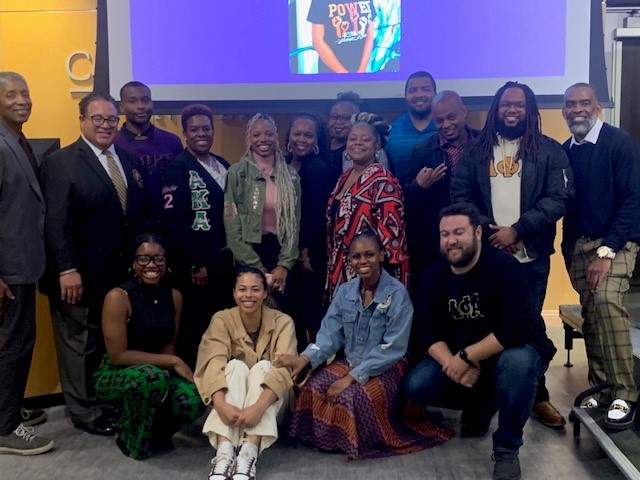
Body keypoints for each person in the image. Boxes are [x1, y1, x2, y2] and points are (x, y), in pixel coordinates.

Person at [450, 81, 573, 430]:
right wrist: (491, 232)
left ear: (530, 110)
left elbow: (559, 199)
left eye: (519, 105)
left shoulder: (549, 150)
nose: (512, 110)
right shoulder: (476, 151)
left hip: (531, 256)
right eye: (506, 104)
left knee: (528, 327)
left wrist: (517, 230)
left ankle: (537, 397)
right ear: (496, 108)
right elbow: (460, 194)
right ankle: (482, 401)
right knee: (482, 328)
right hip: (486, 256)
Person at [404, 203, 556, 480]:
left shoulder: (505, 268)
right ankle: (481, 405)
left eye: (458, 232)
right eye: (445, 234)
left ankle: (507, 449)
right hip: (462, 355)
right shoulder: (431, 275)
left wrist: (464, 358)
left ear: (477, 233)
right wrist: (453, 364)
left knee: (518, 366)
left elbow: (515, 328)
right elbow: (427, 332)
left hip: (512, 349)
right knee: (417, 384)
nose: (451, 241)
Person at [276, 230, 453, 460]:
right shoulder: (345, 291)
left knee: (350, 397)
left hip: (387, 365)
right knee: (312, 389)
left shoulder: (397, 293)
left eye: (369, 254)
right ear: (349, 260)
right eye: (356, 256)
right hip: (351, 360)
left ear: (381, 255)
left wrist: (351, 377)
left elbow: (392, 348)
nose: (363, 261)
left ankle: (359, 440)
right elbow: (330, 334)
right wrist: (305, 358)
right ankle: (330, 440)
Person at [39, 92, 151, 436]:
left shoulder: (129, 160)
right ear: (82, 120)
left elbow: (137, 216)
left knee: (107, 342)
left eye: (111, 119)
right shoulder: (60, 162)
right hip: (78, 274)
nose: (105, 125)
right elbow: (55, 222)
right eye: (97, 118)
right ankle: (84, 411)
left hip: (117, 275)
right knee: (79, 345)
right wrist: (66, 269)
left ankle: (104, 400)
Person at [561, 82, 640, 429]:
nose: (577, 109)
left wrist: (607, 251)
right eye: (570, 104)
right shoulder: (565, 151)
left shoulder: (618, 143)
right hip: (578, 247)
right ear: (563, 111)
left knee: (606, 302)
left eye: (584, 103)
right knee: (592, 316)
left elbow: (632, 199)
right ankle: (602, 387)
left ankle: (625, 393)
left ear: (597, 108)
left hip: (615, 244)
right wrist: (568, 248)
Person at [94, 233, 205, 459]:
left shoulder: (174, 296)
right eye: (143, 258)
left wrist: (170, 377)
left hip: (156, 372)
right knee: (151, 378)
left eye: (158, 259)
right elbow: (118, 356)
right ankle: (129, 436)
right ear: (133, 263)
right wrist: (172, 362)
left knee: (195, 395)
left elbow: (168, 344)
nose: (151, 265)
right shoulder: (118, 296)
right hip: (116, 372)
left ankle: (152, 430)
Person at [194, 267, 297, 480]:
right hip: (230, 405)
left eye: (255, 289)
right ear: (234, 293)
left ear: (265, 293)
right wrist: (221, 405)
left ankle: (248, 454)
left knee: (264, 367)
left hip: (271, 405)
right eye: (242, 289)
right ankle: (224, 454)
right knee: (236, 366)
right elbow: (212, 363)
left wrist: (258, 408)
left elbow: (284, 370)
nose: (248, 295)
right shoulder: (222, 319)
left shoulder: (283, 322)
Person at [0, 71, 54, 455]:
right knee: (13, 345)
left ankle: (8, 409)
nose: (22, 100)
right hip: (9, 268)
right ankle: (5, 429)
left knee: (18, 343)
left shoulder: (16, 140)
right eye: (11, 95)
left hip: (23, 263)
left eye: (25, 93)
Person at [161, 104, 233, 369]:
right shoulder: (177, 168)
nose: (201, 133)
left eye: (206, 128)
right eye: (194, 129)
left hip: (223, 262)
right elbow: (174, 221)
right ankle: (195, 378)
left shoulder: (223, 164)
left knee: (222, 322)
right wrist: (194, 262)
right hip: (197, 266)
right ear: (185, 133)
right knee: (196, 324)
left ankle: (221, 375)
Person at [224, 113, 301, 312]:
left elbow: (294, 224)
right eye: (256, 134)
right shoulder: (236, 173)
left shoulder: (291, 175)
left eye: (269, 134)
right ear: (248, 138)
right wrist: (256, 267)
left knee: (282, 313)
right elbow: (231, 224)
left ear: (276, 136)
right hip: (248, 251)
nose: (263, 139)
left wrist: (284, 265)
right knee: (251, 312)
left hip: (280, 252)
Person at [326, 119, 408, 300]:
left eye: (365, 139)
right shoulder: (344, 177)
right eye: (353, 138)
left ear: (377, 145)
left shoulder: (383, 180)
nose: (358, 143)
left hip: (371, 275)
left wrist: (381, 284)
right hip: (341, 269)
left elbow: (392, 235)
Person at [403, 90, 480, 280]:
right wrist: (418, 186)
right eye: (439, 121)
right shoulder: (422, 151)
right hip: (436, 243)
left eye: (451, 117)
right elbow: (405, 199)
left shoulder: (484, 144)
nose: (446, 125)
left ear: (464, 111)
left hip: (479, 235)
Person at [285, 112, 333, 345]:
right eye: (297, 134)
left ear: (316, 140)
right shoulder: (282, 164)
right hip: (286, 252)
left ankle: (313, 362)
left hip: (309, 255)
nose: (301, 140)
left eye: (308, 135)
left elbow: (315, 216)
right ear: (289, 135)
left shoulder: (318, 169)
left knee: (310, 314)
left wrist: (305, 253)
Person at [115, 81, 183, 216]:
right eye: (133, 101)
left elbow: (182, 184)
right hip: (130, 222)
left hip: (169, 219)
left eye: (145, 100)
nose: (140, 106)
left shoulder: (171, 141)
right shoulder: (114, 143)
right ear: (122, 107)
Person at [386, 71, 437, 180]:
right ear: (405, 96)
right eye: (413, 90)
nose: (419, 95)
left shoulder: (445, 128)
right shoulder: (392, 130)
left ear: (435, 94)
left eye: (426, 89)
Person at [307, 0, 376, 73]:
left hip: (359, 71)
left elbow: (370, 35)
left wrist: (362, 69)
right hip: (331, 72)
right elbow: (317, 41)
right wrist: (344, 74)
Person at [327, 91, 362, 184]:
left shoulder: (360, 151)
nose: (338, 122)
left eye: (345, 118)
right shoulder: (321, 146)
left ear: (356, 121)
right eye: (334, 117)